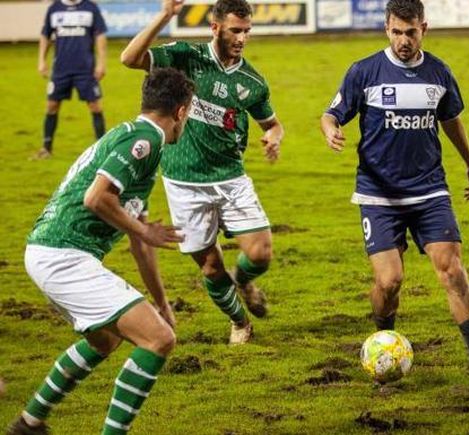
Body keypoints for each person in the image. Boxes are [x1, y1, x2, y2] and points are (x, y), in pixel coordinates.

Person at [320, 0, 469, 380]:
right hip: (379, 195)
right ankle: (383, 341)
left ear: (425, 28)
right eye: (396, 32)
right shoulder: (364, 71)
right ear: (387, 29)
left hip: (429, 191)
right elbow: (331, 113)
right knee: (389, 282)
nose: (403, 40)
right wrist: (330, 129)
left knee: (452, 271)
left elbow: (452, 120)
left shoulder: (438, 72)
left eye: (411, 32)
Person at [7, 68, 194, 435]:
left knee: (104, 338)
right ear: (181, 112)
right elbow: (97, 199)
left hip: (49, 252)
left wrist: (163, 303)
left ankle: (30, 422)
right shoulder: (145, 142)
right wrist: (143, 229)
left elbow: (140, 241)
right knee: (158, 340)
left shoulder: (133, 136)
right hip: (63, 255)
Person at [121, 0, 284, 344]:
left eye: (246, 31)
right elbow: (130, 58)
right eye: (235, 30)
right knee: (210, 267)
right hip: (184, 183)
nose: (241, 38)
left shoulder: (252, 81)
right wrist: (165, 16)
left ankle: (243, 278)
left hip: (230, 178)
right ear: (215, 27)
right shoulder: (185, 58)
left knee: (260, 253)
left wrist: (273, 136)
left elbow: (272, 123)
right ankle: (240, 323)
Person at [36, 0, 108, 159]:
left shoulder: (90, 8)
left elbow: (100, 36)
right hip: (60, 70)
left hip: (86, 70)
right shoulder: (54, 9)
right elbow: (45, 35)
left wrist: (102, 63)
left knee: (95, 106)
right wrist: (41, 60)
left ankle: (102, 150)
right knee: (52, 106)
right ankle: (46, 149)